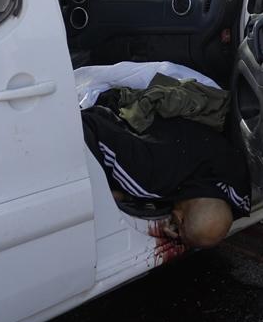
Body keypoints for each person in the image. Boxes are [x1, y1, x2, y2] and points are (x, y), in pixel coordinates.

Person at [81, 106, 250, 250]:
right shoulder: (149, 179)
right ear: (178, 217)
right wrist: (106, 188)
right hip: (131, 113)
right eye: (179, 230)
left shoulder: (237, 182)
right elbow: (87, 124)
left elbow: (221, 215)